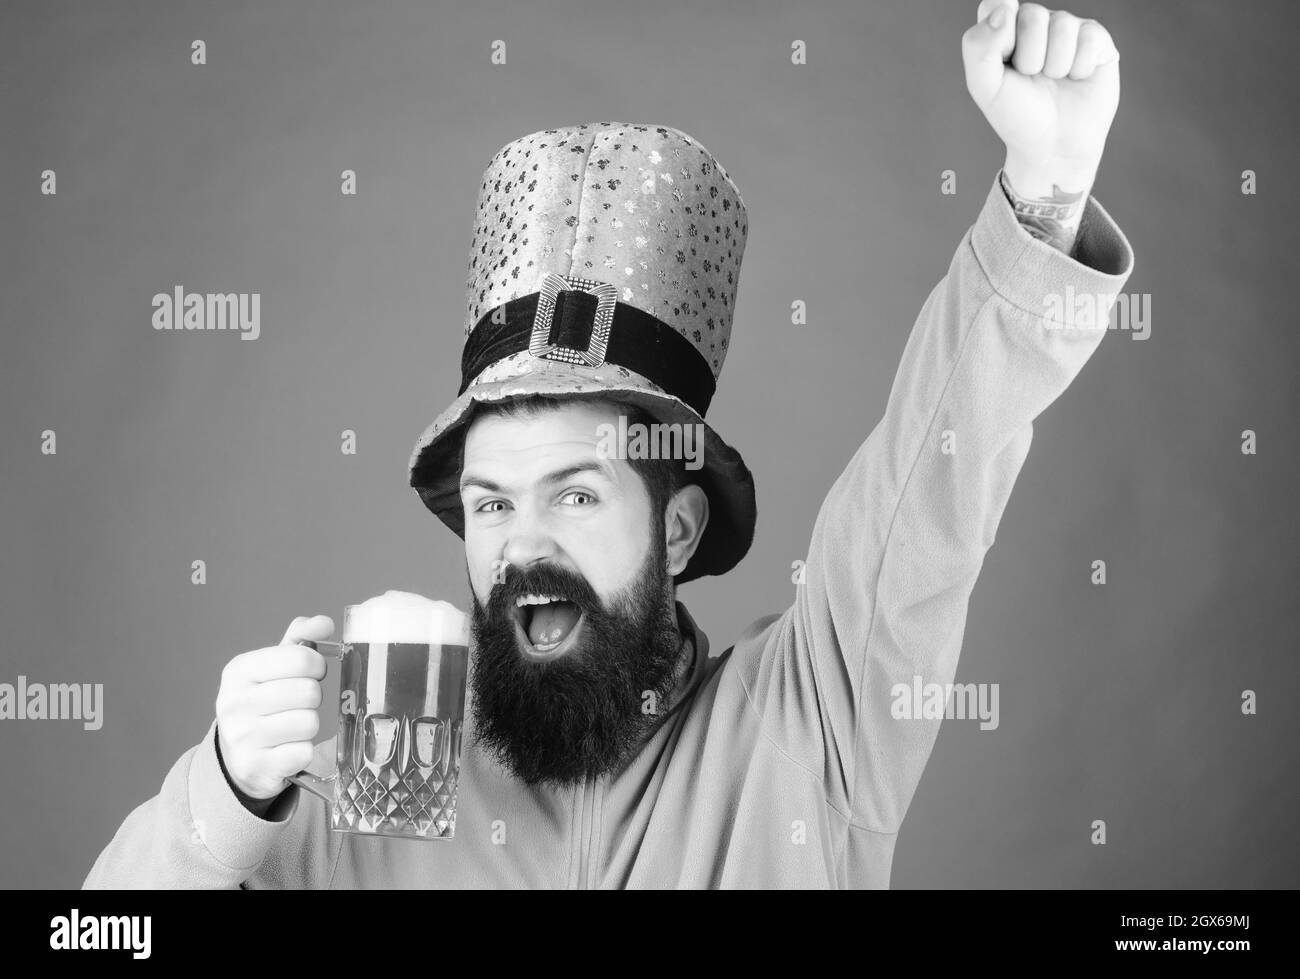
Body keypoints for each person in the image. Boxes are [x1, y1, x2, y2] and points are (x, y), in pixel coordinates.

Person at [85, 1, 1134, 888]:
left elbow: (932, 471)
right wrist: (217, 800)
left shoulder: (810, 727)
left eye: (575, 493)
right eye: (491, 502)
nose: (521, 543)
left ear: (675, 527)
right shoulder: (367, 766)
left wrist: (1043, 191)